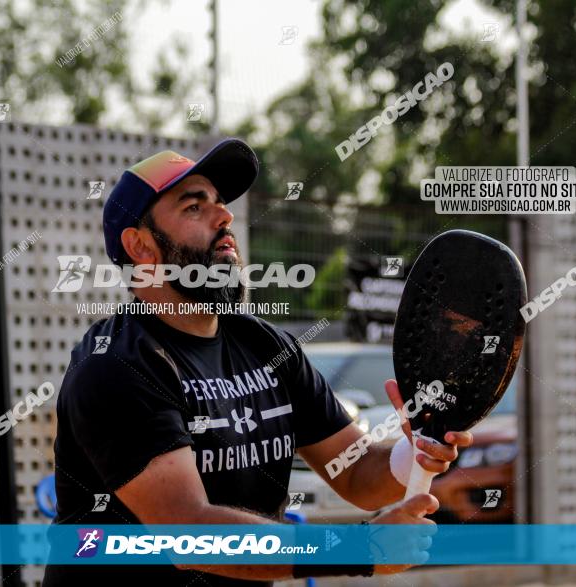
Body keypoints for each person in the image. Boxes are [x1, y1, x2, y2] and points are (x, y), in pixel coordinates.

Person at [41, 138, 472, 586]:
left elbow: (358, 475)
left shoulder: (265, 345)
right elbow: (188, 529)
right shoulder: (115, 368)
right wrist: (356, 548)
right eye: (194, 207)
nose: (224, 217)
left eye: (220, 203)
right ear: (141, 247)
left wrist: (415, 450)